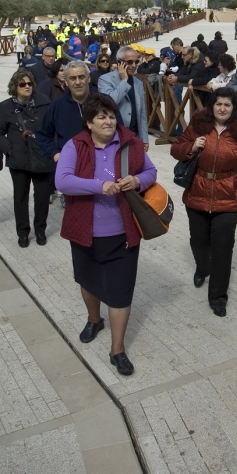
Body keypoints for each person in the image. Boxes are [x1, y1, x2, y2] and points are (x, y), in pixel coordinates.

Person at [55, 93, 156, 375]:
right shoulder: (76, 146)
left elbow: (151, 171)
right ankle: (93, 319)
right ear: (88, 122)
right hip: (84, 231)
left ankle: (118, 349)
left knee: (121, 292)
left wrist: (137, 180)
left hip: (123, 233)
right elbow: (61, 181)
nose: (108, 121)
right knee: (87, 281)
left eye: (111, 116)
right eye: (101, 117)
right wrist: (99, 186)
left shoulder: (130, 143)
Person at [170, 88, 237, 317]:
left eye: (227, 105)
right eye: (219, 104)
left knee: (223, 248)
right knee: (199, 242)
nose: (222, 108)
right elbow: (176, 148)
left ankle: (219, 297)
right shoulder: (199, 124)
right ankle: (203, 267)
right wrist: (191, 147)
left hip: (229, 197)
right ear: (212, 105)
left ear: (234, 108)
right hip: (197, 192)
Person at [0, 70, 53, 247]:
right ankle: (23, 232)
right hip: (19, 159)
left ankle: (40, 230)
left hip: (42, 157)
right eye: (23, 84)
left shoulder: (44, 102)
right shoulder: (5, 107)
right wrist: (9, 150)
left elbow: (53, 126)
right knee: (20, 197)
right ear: (15, 87)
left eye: (29, 83)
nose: (27, 86)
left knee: (43, 196)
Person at [36, 61, 93, 162]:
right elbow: (43, 135)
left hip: (100, 164)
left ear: (88, 78)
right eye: (72, 78)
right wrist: (55, 154)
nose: (78, 82)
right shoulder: (57, 106)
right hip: (70, 165)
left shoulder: (103, 102)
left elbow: (119, 131)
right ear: (66, 82)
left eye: (81, 77)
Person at [98, 46, 149, 151]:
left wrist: (144, 139)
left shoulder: (138, 83)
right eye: (130, 62)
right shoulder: (105, 80)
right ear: (119, 62)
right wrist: (124, 81)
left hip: (134, 137)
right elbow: (110, 102)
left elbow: (142, 113)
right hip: (114, 136)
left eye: (136, 61)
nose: (134, 65)